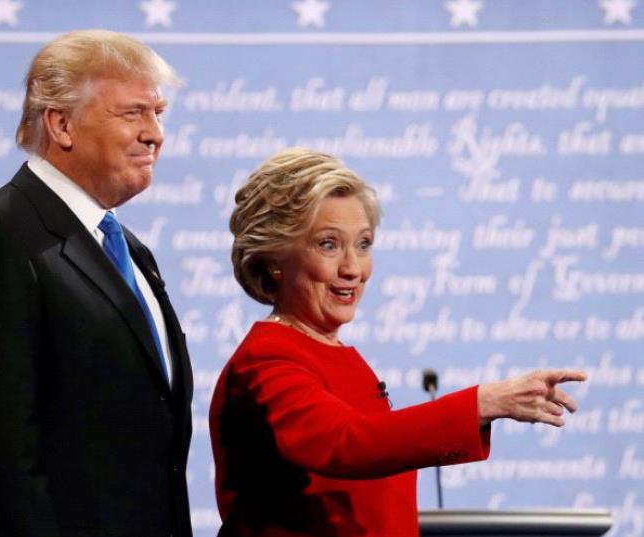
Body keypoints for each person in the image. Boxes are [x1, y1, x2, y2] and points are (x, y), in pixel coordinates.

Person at [209, 147, 586, 537]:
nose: (352, 268)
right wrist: (483, 403)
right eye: (328, 244)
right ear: (275, 257)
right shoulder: (267, 358)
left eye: (363, 244)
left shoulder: (331, 353)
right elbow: (345, 443)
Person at [0, 30, 193, 537]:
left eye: (159, 113)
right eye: (133, 112)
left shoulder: (130, 251)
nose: (155, 133)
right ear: (61, 123)